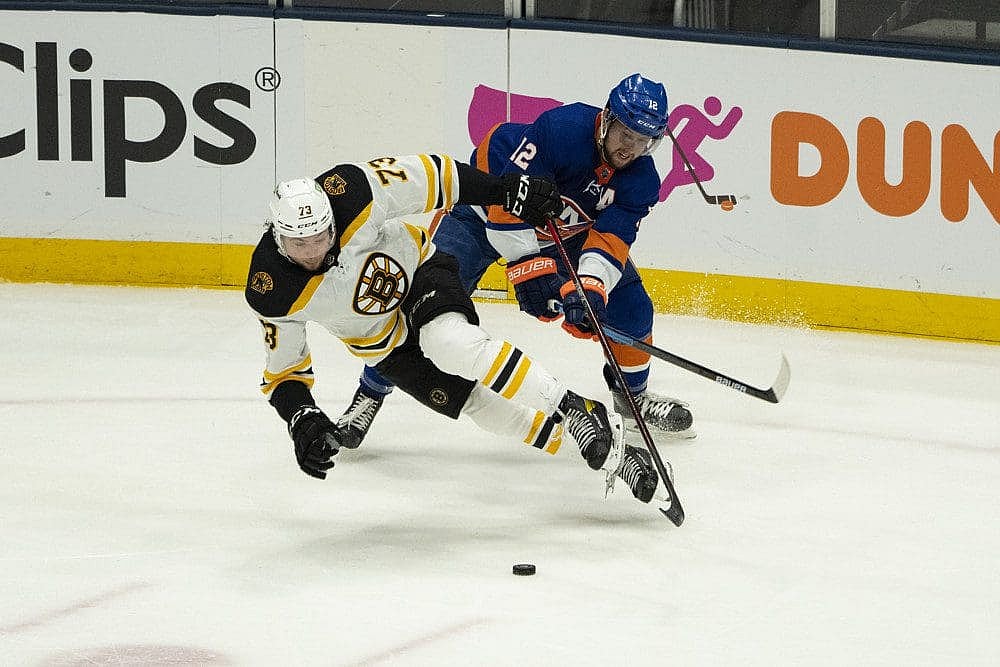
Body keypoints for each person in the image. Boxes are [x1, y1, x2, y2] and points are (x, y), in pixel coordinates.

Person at [245, 153, 666, 505]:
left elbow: (438, 176)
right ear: (278, 236)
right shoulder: (272, 290)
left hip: (422, 271)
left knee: (448, 341)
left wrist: (506, 192)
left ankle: (572, 404)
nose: (313, 251)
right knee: (485, 410)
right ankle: (613, 455)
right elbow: (285, 374)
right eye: (299, 244)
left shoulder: (351, 191)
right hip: (384, 346)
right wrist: (300, 418)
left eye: (321, 237)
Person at [349, 74, 694, 449]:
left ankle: (632, 401)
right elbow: (507, 194)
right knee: (425, 306)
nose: (631, 149)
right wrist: (529, 268)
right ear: (607, 118)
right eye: (626, 134)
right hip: (481, 215)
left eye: (644, 140)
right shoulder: (563, 129)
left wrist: (590, 291)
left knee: (632, 306)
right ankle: (370, 392)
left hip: (562, 234)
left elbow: (610, 238)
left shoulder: (642, 180)